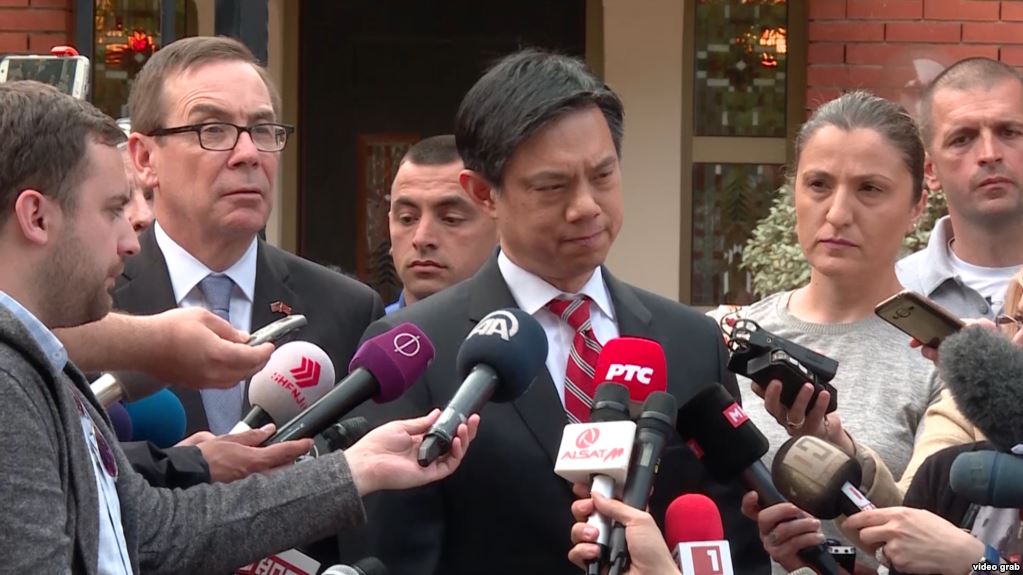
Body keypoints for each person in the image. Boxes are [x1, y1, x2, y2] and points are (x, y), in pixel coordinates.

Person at [0, 80, 478, 574]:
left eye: (263, 129)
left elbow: (153, 530)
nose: (130, 239)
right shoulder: (10, 381)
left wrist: (355, 469)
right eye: (113, 210)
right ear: (37, 216)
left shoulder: (37, 364)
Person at [359, 49, 767, 575]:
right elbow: (391, 556)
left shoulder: (690, 340)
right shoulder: (414, 349)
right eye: (552, 186)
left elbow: (734, 544)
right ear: (483, 193)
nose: (586, 206)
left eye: (603, 175)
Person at [62, 36, 384, 437]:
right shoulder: (77, 309)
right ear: (145, 158)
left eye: (262, 130)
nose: (248, 154)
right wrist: (191, 464)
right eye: (213, 130)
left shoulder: (347, 310)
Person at [730, 91, 942, 573]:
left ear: (917, 205)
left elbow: (976, 558)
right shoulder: (730, 336)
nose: (838, 213)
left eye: (870, 189)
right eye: (819, 184)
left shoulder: (941, 357)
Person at [897, 57, 1023, 321]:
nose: (989, 154)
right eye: (962, 139)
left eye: (1009, 132)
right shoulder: (894, 295)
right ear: (930, 170)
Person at [386, 134, 497, 313]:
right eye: (407, 219)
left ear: (501, 229)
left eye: (451, 219)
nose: (421, 239)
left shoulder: (537, 327)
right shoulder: (366, 329)